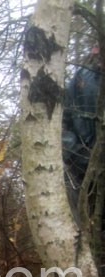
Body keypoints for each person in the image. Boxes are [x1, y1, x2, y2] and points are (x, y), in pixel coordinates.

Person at [62, 46, 101, 225]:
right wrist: (80, 157)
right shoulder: (80, 79)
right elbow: (62, 122)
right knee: (84, 231)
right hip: (82, 175)